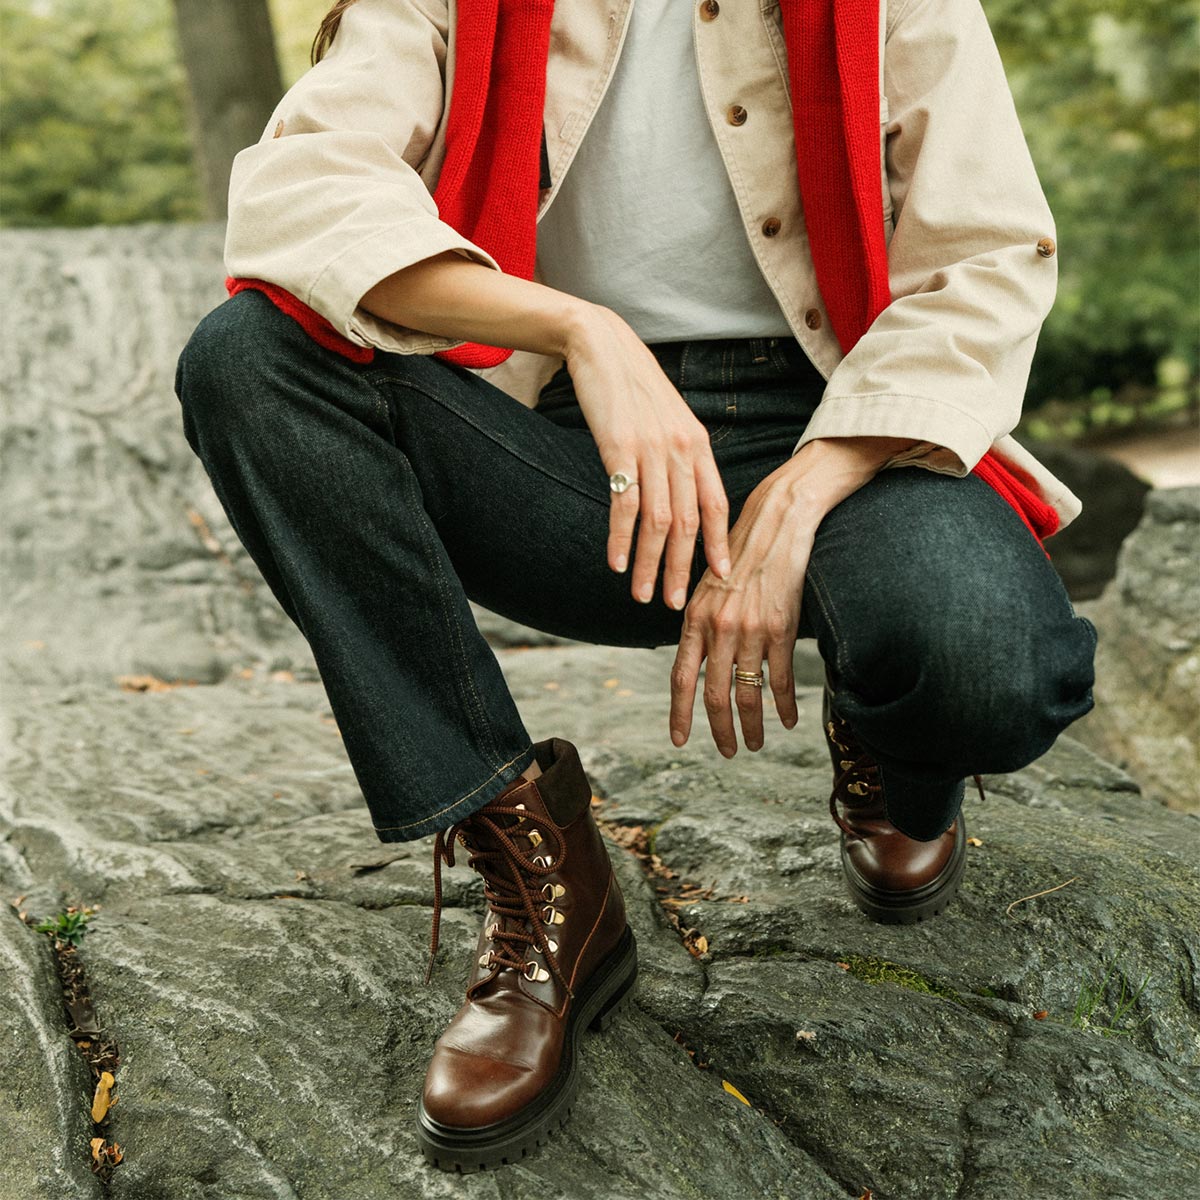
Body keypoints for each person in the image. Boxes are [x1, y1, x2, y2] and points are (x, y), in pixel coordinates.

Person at [173, 0, 1098, 1173]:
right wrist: (583, 330)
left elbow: (986, 259)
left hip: (850, 422)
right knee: (247, 359)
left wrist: (805, 494)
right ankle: (535, 857)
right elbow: (302, 192)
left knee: (987, 664)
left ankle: (893, 745)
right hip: (584, 449)